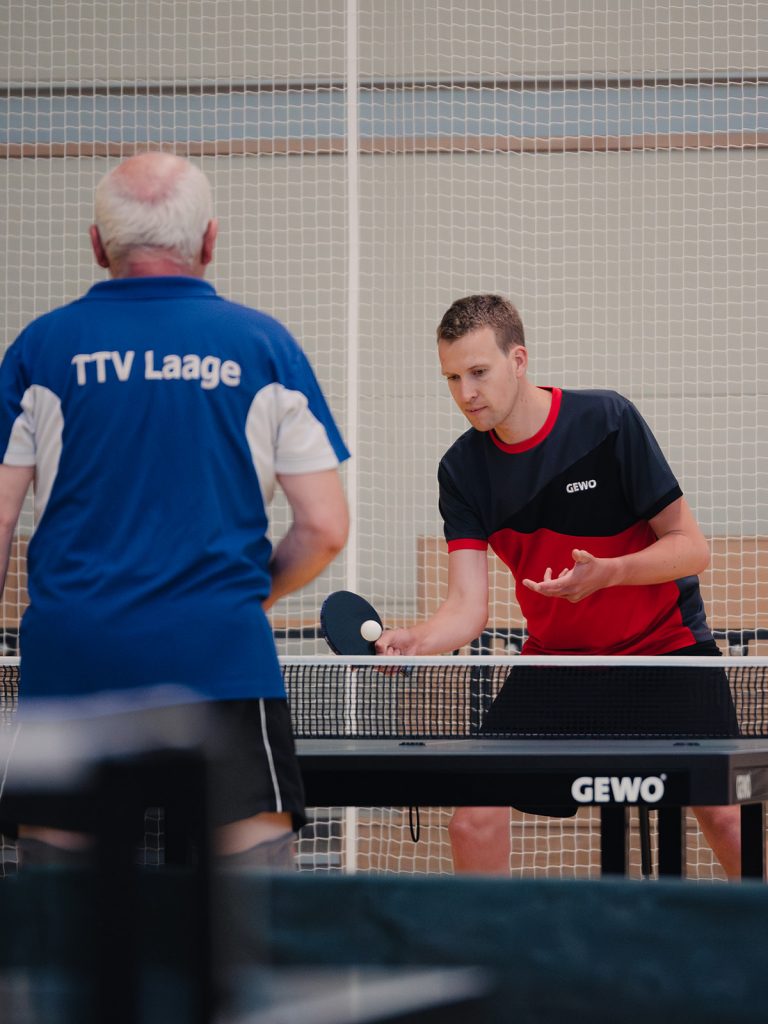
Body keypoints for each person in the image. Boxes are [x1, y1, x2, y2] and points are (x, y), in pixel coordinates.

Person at [0, 152, 349, 869]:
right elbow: (325, 527)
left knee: (63, 914)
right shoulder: (265, 347)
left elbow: (1, 519)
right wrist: (245, 598)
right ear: (210, 240)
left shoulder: (39, 349)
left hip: (74, 663)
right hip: (222, 658)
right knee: (247, 909)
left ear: (97, 246)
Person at [376, 293, 743, 879]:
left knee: (727, 816)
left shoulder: (606, 421)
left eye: (479, 372)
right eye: (452, 378)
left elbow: (691, 547)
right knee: (472, 820)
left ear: (518, 360)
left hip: (666, 649)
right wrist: (417, 640)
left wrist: (609, 573)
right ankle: (490, 942)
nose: (466, 393)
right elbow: (467, 607)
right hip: (559, 662)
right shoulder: (462, 470)